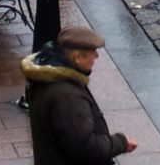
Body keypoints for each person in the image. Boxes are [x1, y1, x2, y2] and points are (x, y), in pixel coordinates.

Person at [23, 24, 138, 162]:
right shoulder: (68, 97)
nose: (97, 55)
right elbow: (86, 148)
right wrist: (121, 142)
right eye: (92, 51)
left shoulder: (50, 79)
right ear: (77, 58)